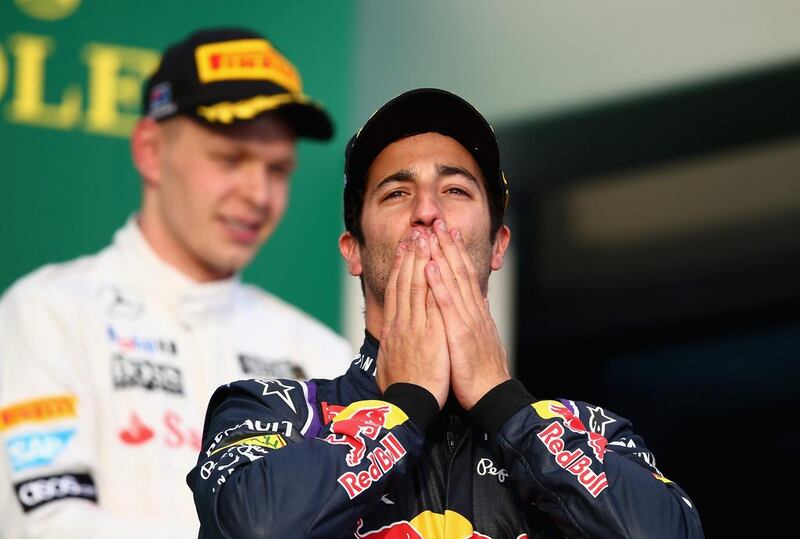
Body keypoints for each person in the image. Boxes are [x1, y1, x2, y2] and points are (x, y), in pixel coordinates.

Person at [188, 88, 705, 538]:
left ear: (498, 244)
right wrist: (402, 410)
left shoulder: (592, 432)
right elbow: (254, 527)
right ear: (355, 251)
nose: (427, 211)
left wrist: (506, 407)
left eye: (455, 189)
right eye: (397, 192)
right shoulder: (273, 412)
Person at [0, 27, 353, 538]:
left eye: (278, 170)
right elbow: (46, 524)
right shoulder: (46, 312)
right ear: (149, 150)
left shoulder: (318, 354)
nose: (258, 194)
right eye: (230, 159)